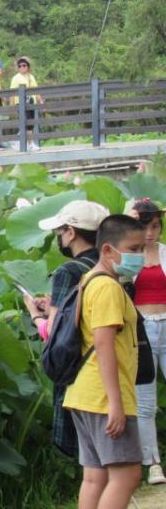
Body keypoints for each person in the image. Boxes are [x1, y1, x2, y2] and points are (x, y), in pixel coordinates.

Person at [63, 215, 145, 509]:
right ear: (108, 250)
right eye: (133, 249)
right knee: (127, 476)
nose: (139, 256)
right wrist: (116, 403)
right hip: (103, 396)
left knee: (95, 477)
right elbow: (103, 344)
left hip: (83, 393)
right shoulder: (109, 287)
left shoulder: (90, 281)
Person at [24, 200, 109, 458]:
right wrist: (55, 306)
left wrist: (36, 317)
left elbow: (56, 334)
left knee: (93, 462)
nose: (59, 238)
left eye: (60, 232)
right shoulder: (110, 265)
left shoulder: (68, 272)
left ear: (71, 232)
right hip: (114, 368)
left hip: (81, 375)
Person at [126, 198, 166, 485]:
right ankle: (152, 463)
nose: (150, 233)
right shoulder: (129, 257)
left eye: (155, 226)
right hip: (142, 330)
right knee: (145, 403)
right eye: (144, 226)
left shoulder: (165, 253)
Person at [8, 56, 43, 152]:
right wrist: (11, 106)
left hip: (31, 103)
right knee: (27, 124)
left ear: (28, 66)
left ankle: (16, 141)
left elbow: (36, 90)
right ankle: (31, 144)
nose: (22, 67)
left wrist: (40, 101)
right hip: (21, 103)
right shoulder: (16, 78)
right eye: (20, 66)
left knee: (29, 124)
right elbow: (11, 92)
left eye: (24, 65)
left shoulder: (31, 77)